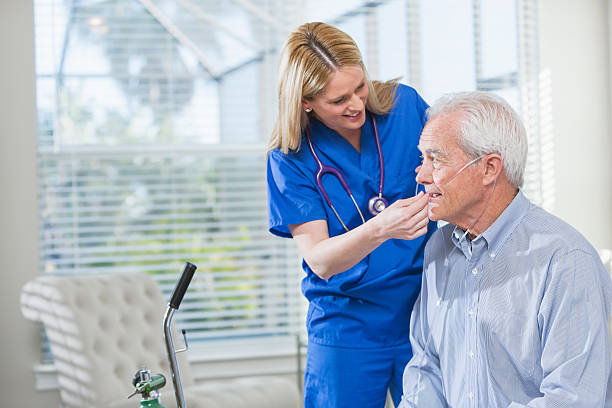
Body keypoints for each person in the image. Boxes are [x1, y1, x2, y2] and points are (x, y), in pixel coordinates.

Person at [400, 91, 612, 407]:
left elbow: (573, 398)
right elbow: (427, 370)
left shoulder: (565, 261)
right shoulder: (437, 250)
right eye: (422, 159)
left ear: (489, 168)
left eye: (436, 159)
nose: (421, 174)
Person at [266, 22, 436, 408]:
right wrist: (381, 228)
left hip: (425, 314)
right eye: (338, 99)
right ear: (306, 102)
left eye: (360, 87)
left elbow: (451, 176)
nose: (357, 104)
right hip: (347, 326)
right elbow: (321, 260)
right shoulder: (289, 158)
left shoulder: (405, 107)